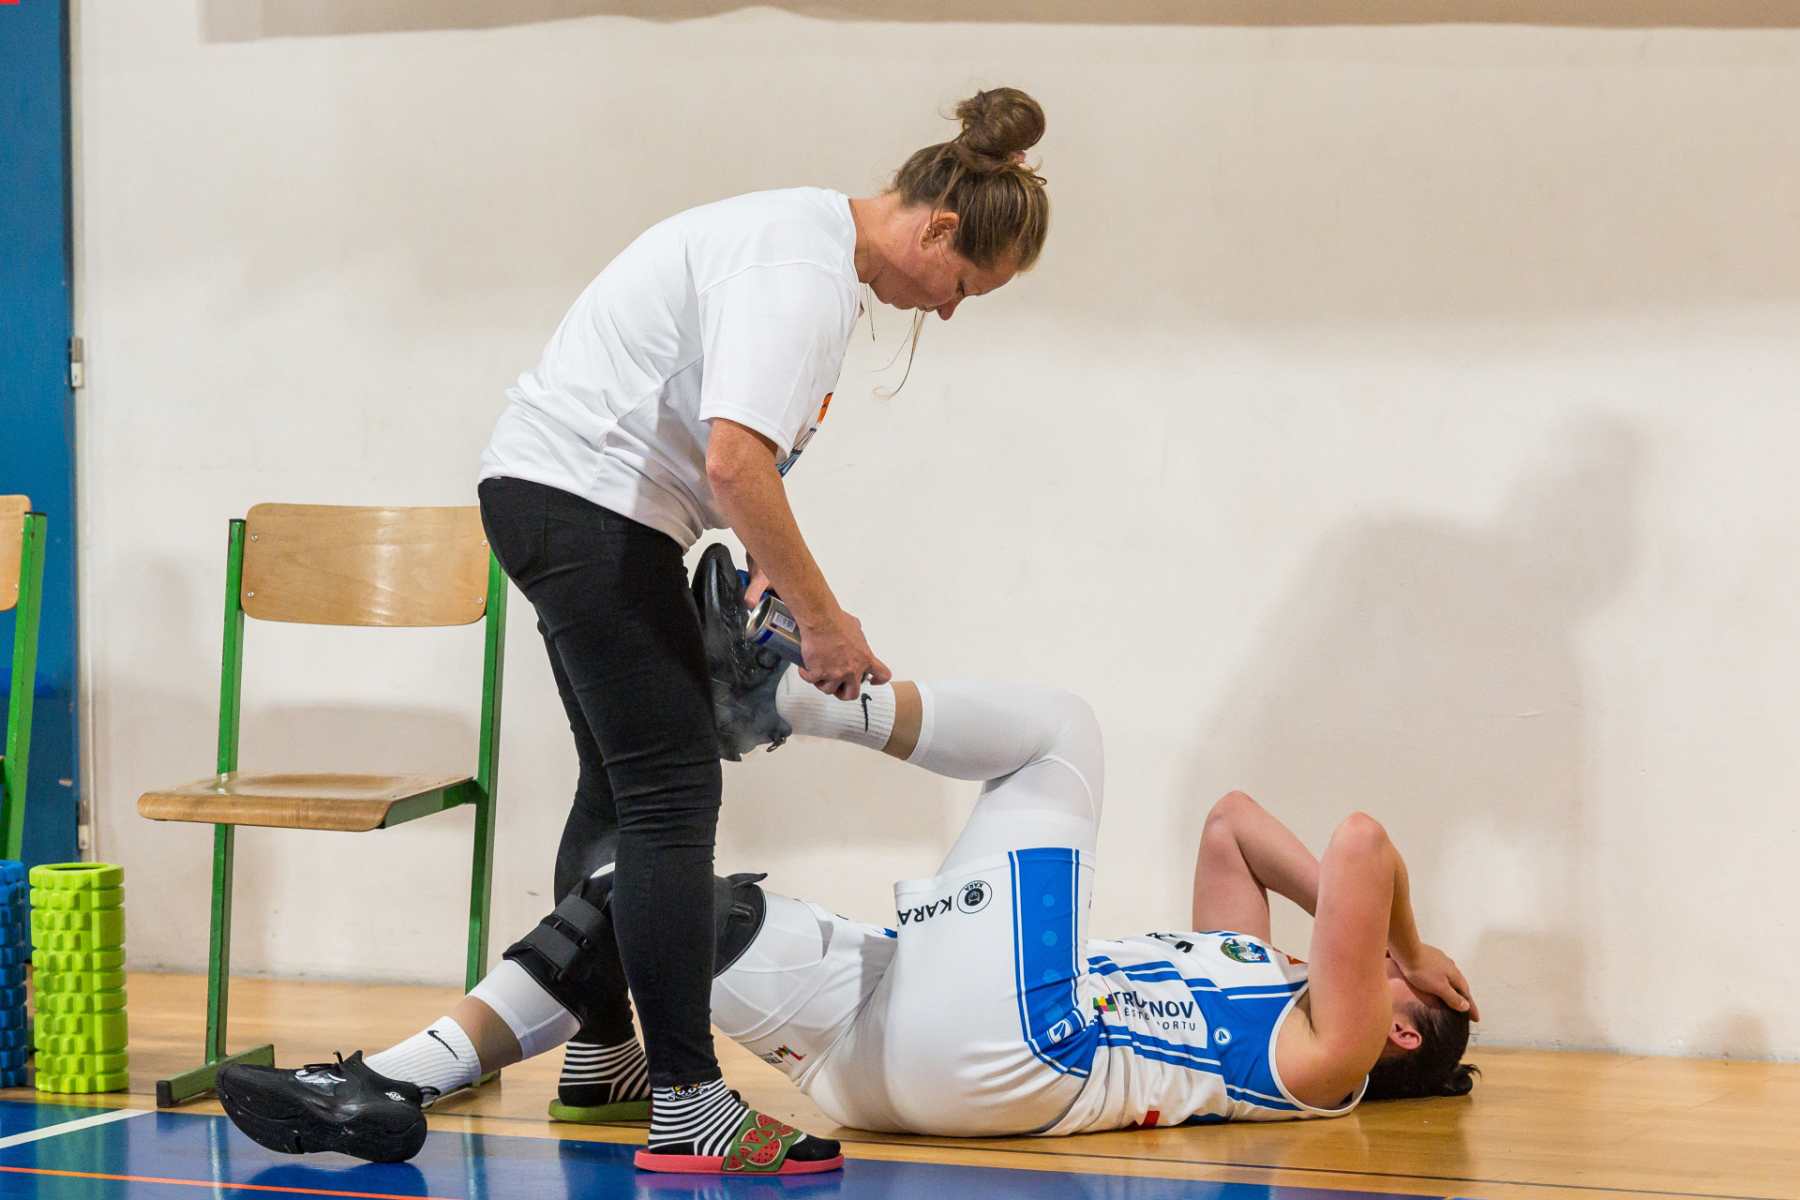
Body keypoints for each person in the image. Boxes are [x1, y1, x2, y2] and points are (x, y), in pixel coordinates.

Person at [218, 552, 1477, 1173]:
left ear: (1401, 1027)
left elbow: (1360, 845)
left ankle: (790, 703)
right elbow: (1233, 824)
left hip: (1023, 1056)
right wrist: (1393, 951)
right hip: (892, 1049)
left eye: (1395, 987)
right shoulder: (1251, 964)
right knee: (640, 898)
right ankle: (386, 1082)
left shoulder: (1328, 1062)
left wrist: (1414, 951)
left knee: (1063, 734)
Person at [466, 87, 1051, 1172]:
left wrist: (782, 586)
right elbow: (736, 465)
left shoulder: (802, 242)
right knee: (672, 794)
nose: (949, 312)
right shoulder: (803, 272)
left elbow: (735, 465)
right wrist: (825, 625)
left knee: (620, 789)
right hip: (586, 508)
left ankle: (604, 1055)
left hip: (565, 502)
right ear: (938, 229)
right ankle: (689, 1105)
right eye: (966, 286)